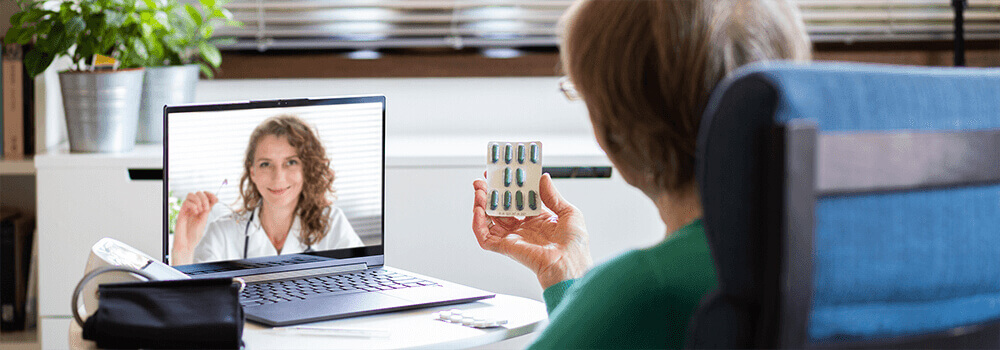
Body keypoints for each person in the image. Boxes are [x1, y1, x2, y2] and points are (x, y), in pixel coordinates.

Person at [471, 0, 812, 348]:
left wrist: (594, 299)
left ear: (616, 130)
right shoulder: (822, 255)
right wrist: (568, 278)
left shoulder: (649, 287)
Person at [172, 115, 363, 265]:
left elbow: (361, 286)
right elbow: (192, 303)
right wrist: (184, 249)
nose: (278, 177)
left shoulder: (332, 223)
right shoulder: (222, 233)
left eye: (291, 162)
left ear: (307, 168)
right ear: (252, 172)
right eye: (265, 164)